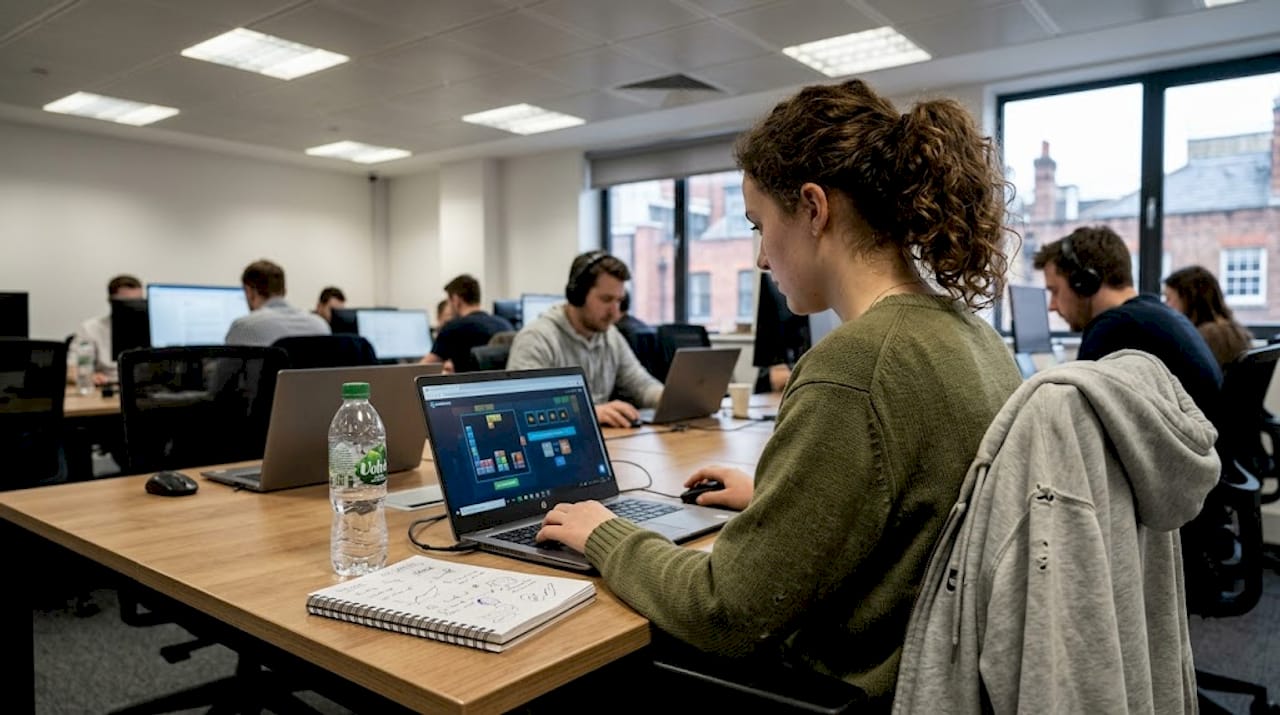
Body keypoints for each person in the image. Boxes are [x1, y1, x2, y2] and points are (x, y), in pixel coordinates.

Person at [537, 78, 1022, 706]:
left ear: (814, 209)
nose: (761, 257)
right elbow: (907, 504)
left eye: (759, 224)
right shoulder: (969, 335)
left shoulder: (854, 367)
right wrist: (774, 500)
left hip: (841, 690)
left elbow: (721, 609)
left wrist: (605, 533)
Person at [1032, 226, 1222, 423]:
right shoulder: (1154, 315)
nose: (1052, 306)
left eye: (1054, 291)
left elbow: (1077, 422)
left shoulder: (1114, 328)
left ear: (1084, 282)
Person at [507, 252, 664, 428]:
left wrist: (669, 399)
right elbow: (522, 406)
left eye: (619, 300)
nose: (615, 311)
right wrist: (589, 412)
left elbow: (640, 385)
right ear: (577, 295)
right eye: (606, 299)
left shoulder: (610, 336)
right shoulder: (538, 338)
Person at [1163, 265, 1253, 367]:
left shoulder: (1206, 337)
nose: (1165, 305)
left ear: (1188, 299)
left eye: (1168, 298)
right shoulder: (1233, 331)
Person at [225, 259, 330, 346]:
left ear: (249, 292)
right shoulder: (321, 326)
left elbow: (225, 370)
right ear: (284, 291)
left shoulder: (243, 327)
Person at [420, 274, 513, 372]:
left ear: (456, 300)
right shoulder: (504, 324)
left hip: (466, 386)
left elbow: (424, 368)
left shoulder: (453, 328)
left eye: (448, 301)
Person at [66, 274, 143, 386]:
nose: (134, 307)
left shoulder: (153, 328)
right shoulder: (90, 328)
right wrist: (89, 377)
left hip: (145, 388)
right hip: (107, 386)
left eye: (138, 302)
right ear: (110, 301)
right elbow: (71, 370)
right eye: (127, 302)